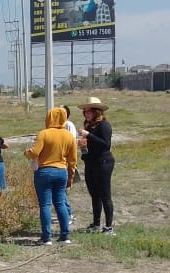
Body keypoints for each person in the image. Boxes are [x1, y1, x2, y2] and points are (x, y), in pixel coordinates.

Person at [24, 106, 77, 245]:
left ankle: (46, 237)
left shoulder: (44, 134)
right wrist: (70, 177)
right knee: (60, 203)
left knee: (45, 205)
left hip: (45, 172)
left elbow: (35, 153)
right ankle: (65, 236)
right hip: (61, 172)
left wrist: (27, 153)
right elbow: (73, 160)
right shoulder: (69, 135)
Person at [77, 96, 115, 235]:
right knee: (94, 195)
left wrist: (89, 135)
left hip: (103, 163)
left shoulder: (104, 125)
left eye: (89, 111)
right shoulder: (89, 126)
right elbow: (92, 144)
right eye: (85, 111)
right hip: (91, 163)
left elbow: (105, 144)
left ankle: (109, 227)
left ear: (97, 112)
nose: (86, 114)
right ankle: (96, 223)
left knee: (105, 195)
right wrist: (82, 145)